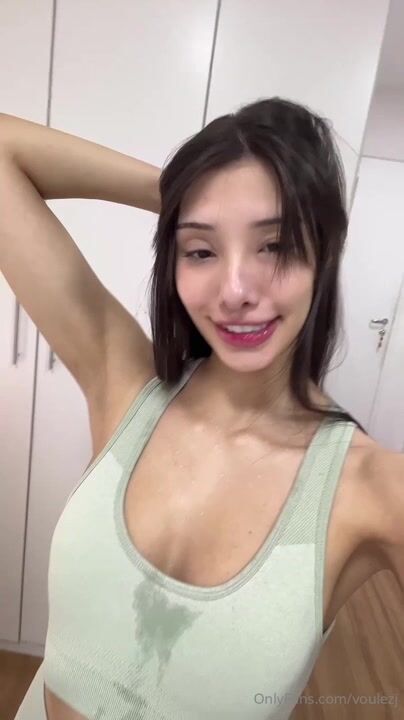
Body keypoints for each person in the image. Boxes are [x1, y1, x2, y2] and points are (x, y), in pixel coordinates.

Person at [1, 98, 402, 720]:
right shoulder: (125, 386)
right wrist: (179, 196)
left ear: (325, 252)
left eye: (275, 245)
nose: (235, 291)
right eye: (201, 250)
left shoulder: (376, 490)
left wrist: (208, 219)